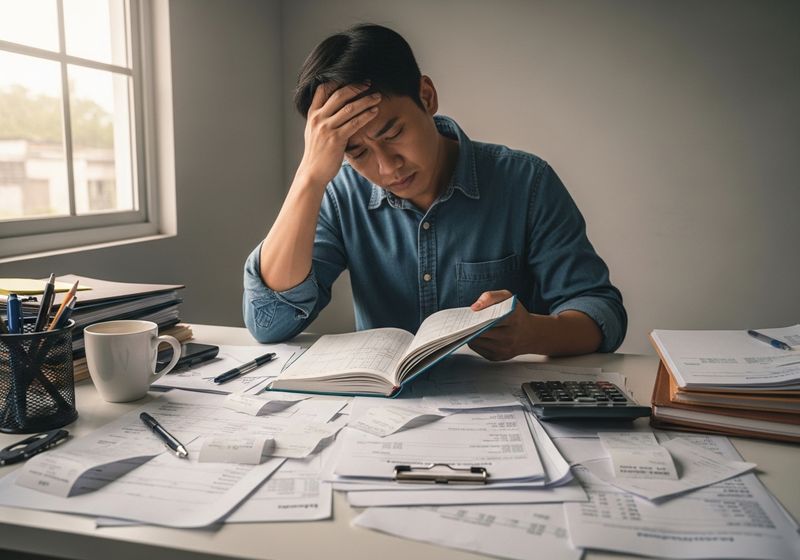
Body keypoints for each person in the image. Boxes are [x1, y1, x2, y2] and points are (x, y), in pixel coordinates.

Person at [243, 24, 626, 359]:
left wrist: (531, 335)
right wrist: (309, 176)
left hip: (507, 410)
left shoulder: (527, 182)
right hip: (385, 419)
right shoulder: (341, 196)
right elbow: (269, 322)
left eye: (393, 133)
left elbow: (600, 312)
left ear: (426, 96)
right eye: (356, 151)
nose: (388, 166)